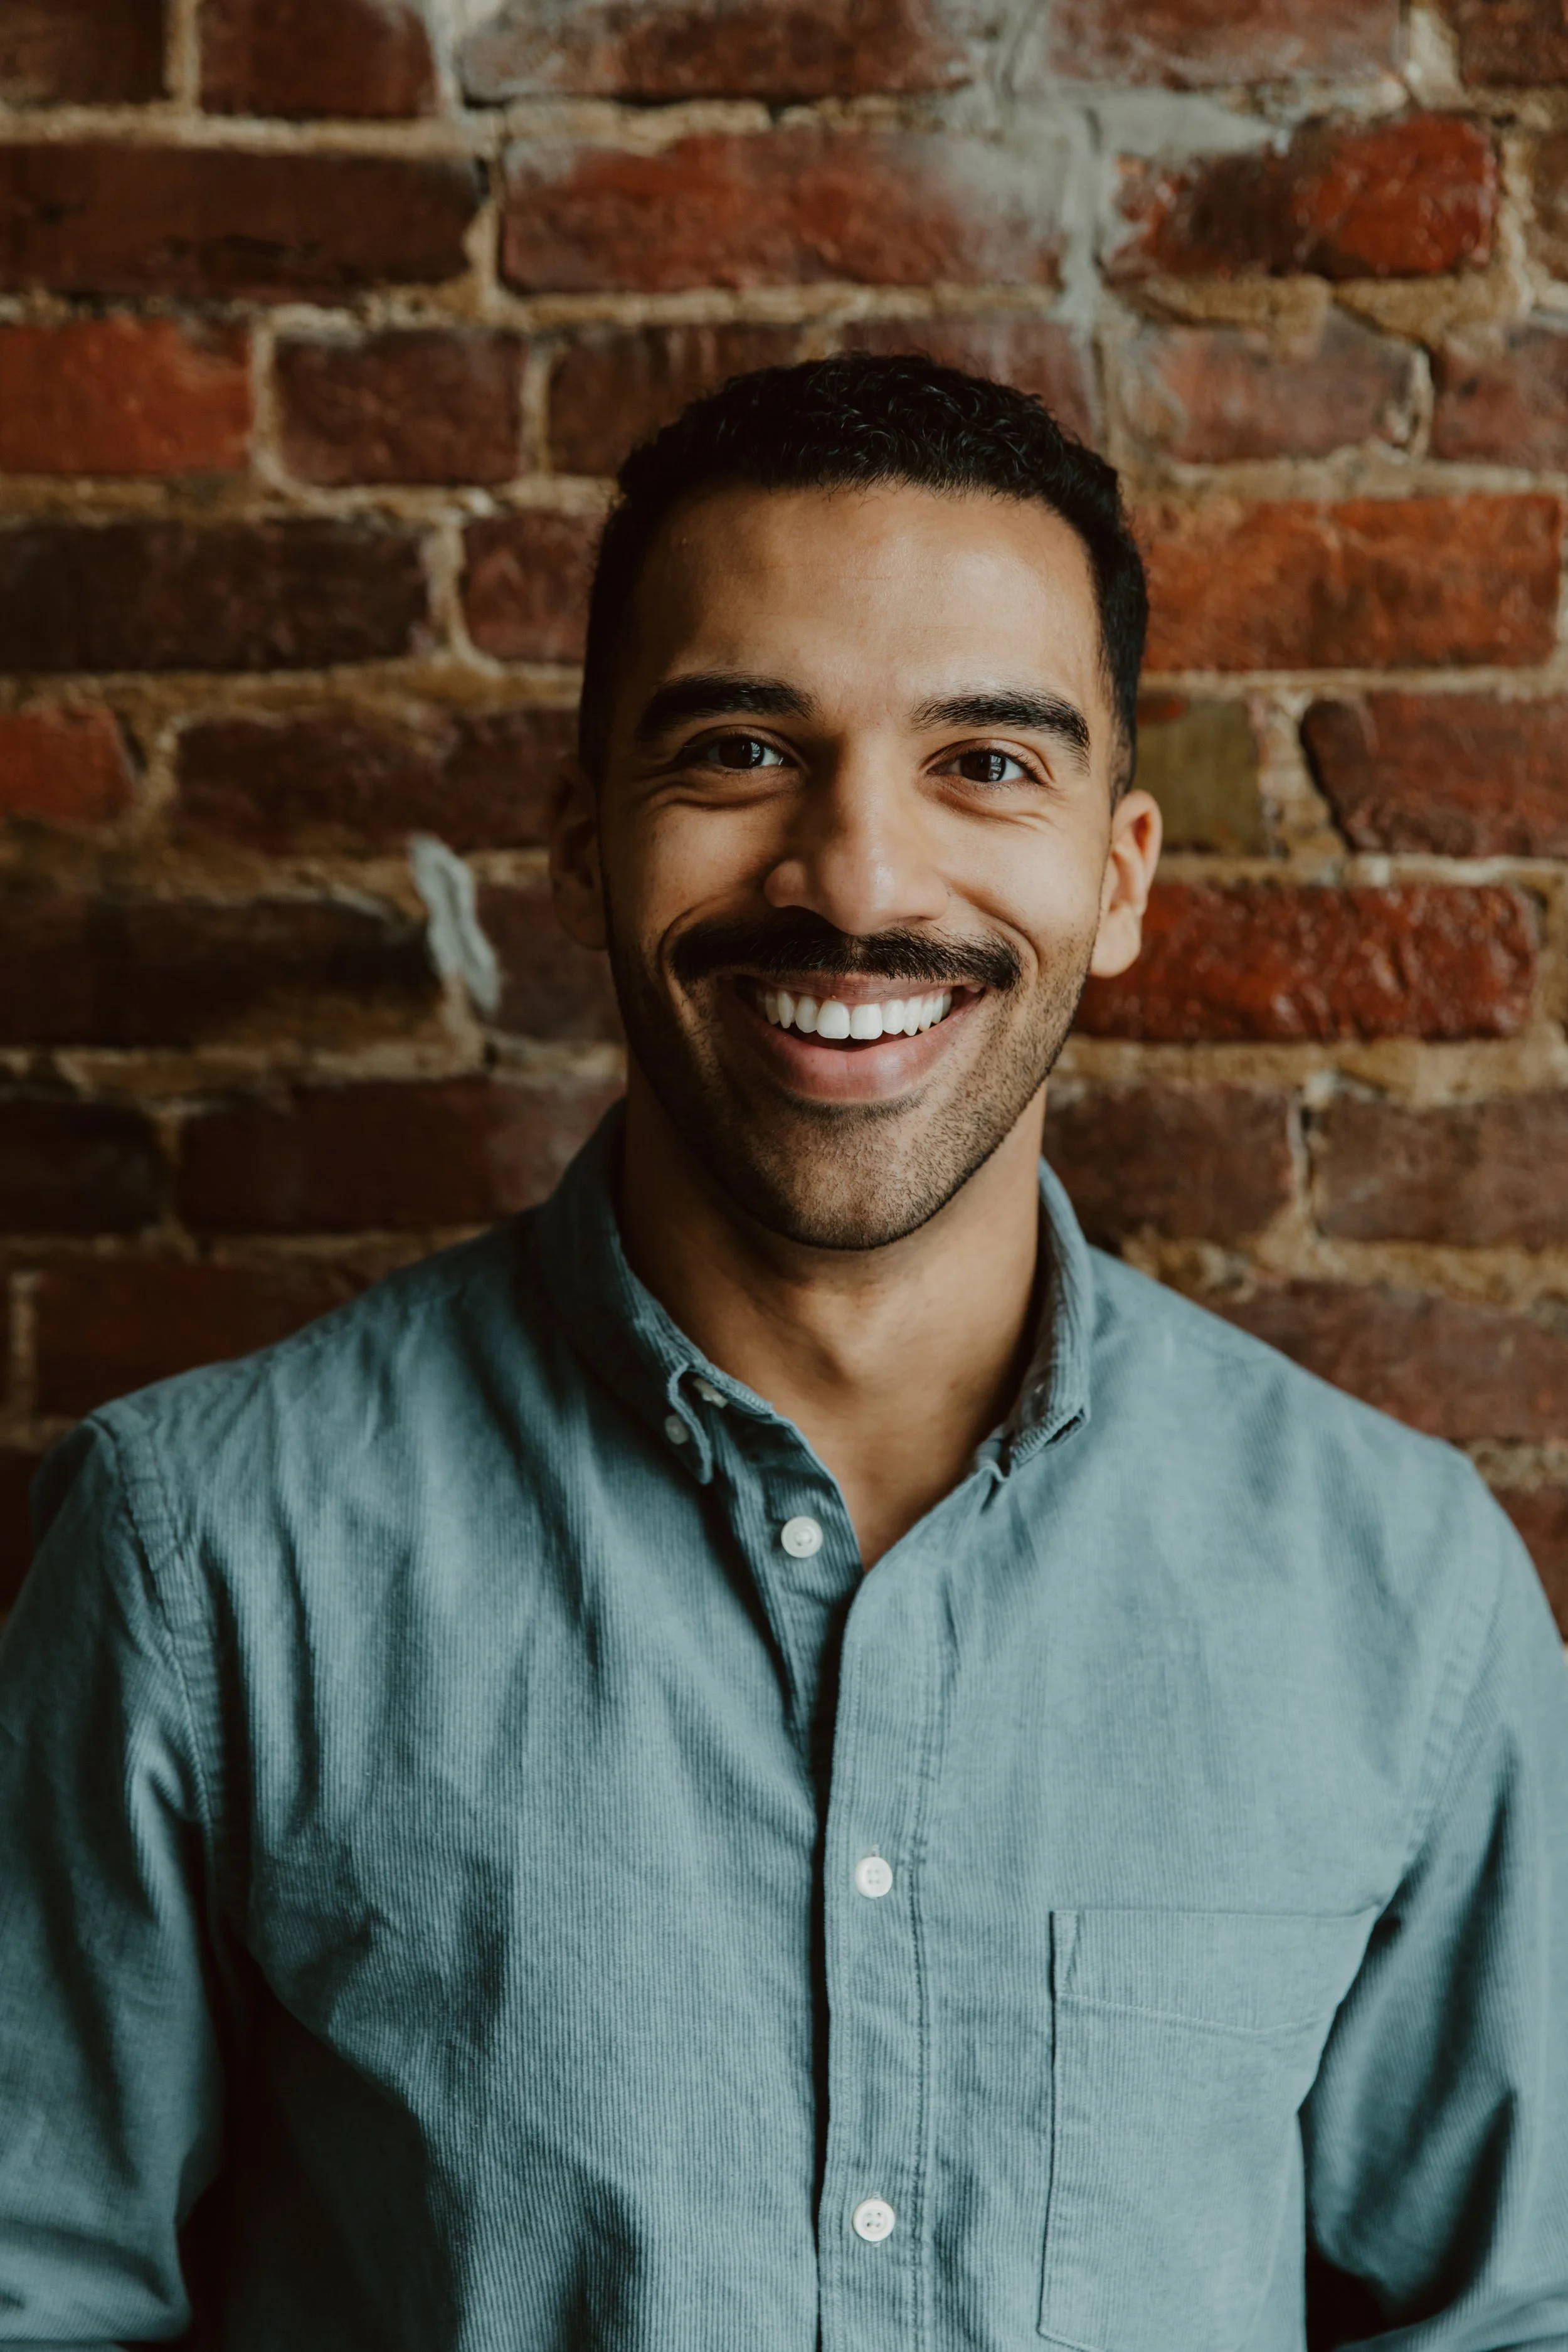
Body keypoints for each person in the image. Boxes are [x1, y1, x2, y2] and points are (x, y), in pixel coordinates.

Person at [1, 355, 1564, 2352]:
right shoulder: (202, 1552)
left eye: (985, 763)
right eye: (739, 748)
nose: (858, 876)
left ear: (1118, 876)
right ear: (583, 841)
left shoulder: (1402, 1591)